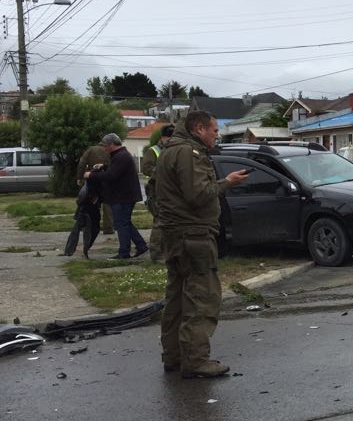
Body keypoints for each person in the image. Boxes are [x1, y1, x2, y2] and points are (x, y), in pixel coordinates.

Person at [153, 111, 248, 379]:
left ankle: (173, 355)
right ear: (199, 128)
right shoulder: (188, 153)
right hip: (192, 234)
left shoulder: (171, 150)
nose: (217, 134)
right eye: (214, 130)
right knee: (202, 297)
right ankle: (195, 360)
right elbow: (198, 194)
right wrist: (226, 183)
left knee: (177, 298)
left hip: (175, 233)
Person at [84, 133, 148, 260]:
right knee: (125, 222)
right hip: (125, 195)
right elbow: (115, 170)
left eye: (105, 146)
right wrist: (104, 166)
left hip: (122, 196)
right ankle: (141, 246)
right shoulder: (120, 155)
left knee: (121, 224)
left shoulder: (121, 157)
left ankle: (124, 252)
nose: (104, 149)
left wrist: (91, 175)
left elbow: (111, 176)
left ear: (111, 145)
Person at [141, 124, 174, 262]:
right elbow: (146, 168)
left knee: (168, 223)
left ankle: (167, 252)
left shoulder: (173, 150)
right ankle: (156, 254)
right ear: (163, 137)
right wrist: (164, 173)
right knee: (159, 223)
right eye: (169, 137)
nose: (171, 140)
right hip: (156, 191)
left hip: (169, 192)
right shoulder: (153, 151)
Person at [76, 139, 114, 234]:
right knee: (107, 203)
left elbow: (82, 163)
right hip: (107, 179)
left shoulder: (91, 150)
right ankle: (108, 228)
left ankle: (88, 226)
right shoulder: (110, 150)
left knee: (91, 202)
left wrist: (80, 177)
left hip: (93, 179)